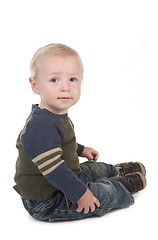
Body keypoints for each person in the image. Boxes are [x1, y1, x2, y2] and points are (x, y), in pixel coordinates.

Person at [13, 43, 147, 222]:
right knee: (98, 195)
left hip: (64, 175)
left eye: (72, 79)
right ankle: (119, 187)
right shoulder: (40, 125)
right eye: (54, 80)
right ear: (35, 85)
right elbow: (54, 170)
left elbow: (58, 144)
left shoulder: (53, 115)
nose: (65, 87)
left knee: (92, 168)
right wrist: (80, 193)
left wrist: (80, 149)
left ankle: (115, 171)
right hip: (46, 198)